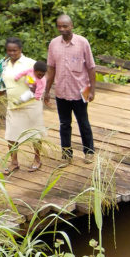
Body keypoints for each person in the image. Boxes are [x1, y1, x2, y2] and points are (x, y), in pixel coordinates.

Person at [44, 14, 96, 166]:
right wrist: (47, 91)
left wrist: (93, 90)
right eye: (59, 26)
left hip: (81, 90)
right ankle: (66, 155)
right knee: (64, 124)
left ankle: (89, 152)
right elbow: (51, 68)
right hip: (61, 91)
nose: (62, 29)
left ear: (71, 26)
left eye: (65, 26)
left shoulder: (82, 43)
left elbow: (91, 68)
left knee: (83, 122)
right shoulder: (53, 44)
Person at [0, 36, 46, 175]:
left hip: (30, 104)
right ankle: (14, 162)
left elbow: (40, 81)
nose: (11, 53)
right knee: (11, 134)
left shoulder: (30, 63)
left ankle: (37, 159)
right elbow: (1, 83)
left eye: (14, 51)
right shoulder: (3, 65)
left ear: (20, 50)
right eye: (9, 51)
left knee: (34, 133)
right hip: (13, 104)